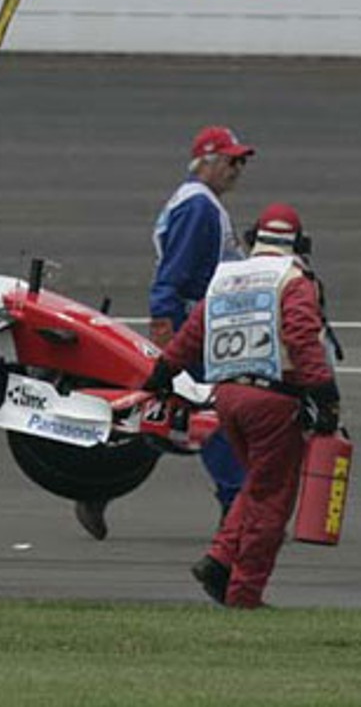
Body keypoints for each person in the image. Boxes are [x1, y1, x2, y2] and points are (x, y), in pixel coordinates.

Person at [142, 200, 340, 609]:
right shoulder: (293, 279)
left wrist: (160, 374)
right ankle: (244, 593)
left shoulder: (225, 278)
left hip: (228, 399)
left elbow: (192, 333)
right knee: (273, 498)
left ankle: (219, 559)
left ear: (254, 239)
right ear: (299, 243)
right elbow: (303, 338)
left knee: (256, 485)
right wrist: (326, 396)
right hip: (273, 400)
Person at [73, 123, 254, 542]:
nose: (238, 168)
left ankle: (95, 487)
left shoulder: (198, 202)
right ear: (205, 161)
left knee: (163, 417)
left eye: (241, 161)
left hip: (197, 330)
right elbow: (171, 280)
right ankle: (235, 508)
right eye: (231, 160)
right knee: (215, 414)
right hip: (194, 334)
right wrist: (166, 339)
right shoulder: (199, 208)